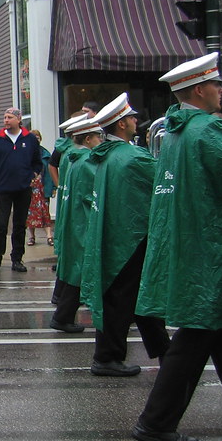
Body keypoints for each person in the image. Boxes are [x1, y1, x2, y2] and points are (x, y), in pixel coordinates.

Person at [132, 53, 222, 441]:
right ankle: (155, 423)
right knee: (197, 336)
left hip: (195, 248)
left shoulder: (173, 132)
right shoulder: (208, 131)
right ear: (198, 89)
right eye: (217, 85)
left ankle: (156, 423)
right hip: (213, 251)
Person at [77, 94, 171, 377]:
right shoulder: (132, 157)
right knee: (129, 299)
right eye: (131, 118)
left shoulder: (107, 156)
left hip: (117, 236)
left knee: (130, 299)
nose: (135, 121)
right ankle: (109, 358)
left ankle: (164, 353)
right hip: (131, 238)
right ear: (120, 125)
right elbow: (163, 179)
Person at [49, 116, 102, 333]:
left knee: (76, 269)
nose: (101, 140)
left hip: (74, 220)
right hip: (84, 220)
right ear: (88, 139)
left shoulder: (73, 158)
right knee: (81, 269)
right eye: (99, 136)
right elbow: (93, 195)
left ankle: (63, 313)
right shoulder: (87, 160)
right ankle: (63, 315)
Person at [0, 107, 43, 273]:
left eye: (9, 117)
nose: (6, 120)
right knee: (0, 226)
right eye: (4, 117)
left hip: (23, 189)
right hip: (2, 189)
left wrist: (33, 174)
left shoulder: (30, 139)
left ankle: (17, 258)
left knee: (19, 225)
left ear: (18, 119)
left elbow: (38, 161)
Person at [25, 130, 55, 247]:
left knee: (45, 212)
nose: (36, 139)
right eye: (33, 137)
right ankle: (32, 237)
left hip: (43, 187)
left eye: (37, 137)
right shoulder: (26, 153)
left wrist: (53, 187)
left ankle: (49, 236)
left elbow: (51, 172)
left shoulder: (46, 154)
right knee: (30, 213)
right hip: (30, 188)